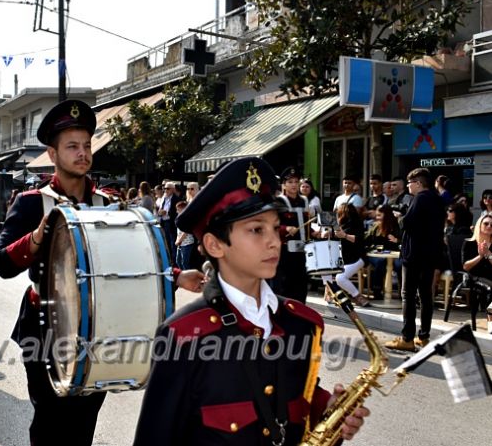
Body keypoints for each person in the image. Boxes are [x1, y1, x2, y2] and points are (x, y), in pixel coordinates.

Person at [0, 100, 203, 445]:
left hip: (101, 326)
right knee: (49, 423)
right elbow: (0, 263)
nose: (82, 153)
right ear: (53, 153)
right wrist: (34, 238)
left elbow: (133, 259)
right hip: (46, 328)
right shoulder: (32, 203)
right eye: (72, 146)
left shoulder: (109, 203)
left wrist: (175, 274)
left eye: (87, 145)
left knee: (83, 423)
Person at [133, 156, 369, 445]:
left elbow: (299, 401)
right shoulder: (184, 336)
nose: (273, 241)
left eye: (275, 228)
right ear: (214, 244)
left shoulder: (301, 324)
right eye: (257, 230)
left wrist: (329, 412)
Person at [385, 168, 445, 352]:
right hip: (430, 255)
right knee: (425, 295)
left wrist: (399, 217)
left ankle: (407, 338)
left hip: (414, 255)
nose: (408, 186)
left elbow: (408, 224)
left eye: (410, 183)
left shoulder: (420, 198)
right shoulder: (437, 199)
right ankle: (424, 336)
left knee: (408, 295)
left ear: (418, 183)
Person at [272, 166, 309, 303]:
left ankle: (300, 313)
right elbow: (271, 226)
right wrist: (286, 228)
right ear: (284, 185)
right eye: (290, 182)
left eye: (296, 181)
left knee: (301, 284)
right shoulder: (278, 202)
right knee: (284, 286)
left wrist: (316, 233)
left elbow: (307, 224)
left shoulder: (304, 201)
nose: (294, 185)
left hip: (302, 251)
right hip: (285, 251)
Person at [323, 203, 368, 306]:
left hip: (356, 258)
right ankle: (329, 291)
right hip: (343, 258)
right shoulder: (338, 226)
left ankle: (357, 296)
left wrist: (345, 236)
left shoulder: (356, 224)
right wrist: (328, 234)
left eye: (339, 214)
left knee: (340, 278)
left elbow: (359, 240)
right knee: (324, 268)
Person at [364, 205, 402, 300]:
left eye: (379, 215)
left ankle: (403, 292)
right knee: (380, 261)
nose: (377, 218)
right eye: (376, 215)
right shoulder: (375, 226)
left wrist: (396, 240)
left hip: (394, 254)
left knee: (400, 265)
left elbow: (402, 240)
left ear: (387, 215)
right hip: (376, 254)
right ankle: (377, 290)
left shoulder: (395, 226)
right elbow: (366, 240)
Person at [460, 214, 492, 309]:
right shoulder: (469, 243)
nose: (489, 226)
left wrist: (489, 253)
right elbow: (465, 266)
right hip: (474, 276)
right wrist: (480, 256)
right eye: (486, 224)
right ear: (479, 225)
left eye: (491, 225)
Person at [157, 181, 181, 263]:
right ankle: (168, 260)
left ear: (173, 189)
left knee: (172, 244)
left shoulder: (176, 199)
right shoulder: (164, 198)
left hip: (171, 224)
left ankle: (174, 262)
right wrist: (160, 212)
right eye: (164, 188)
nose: (165, 190)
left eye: (167, 189)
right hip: (164, 223)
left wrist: (166, 212)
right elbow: (160, 209)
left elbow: (176, 212)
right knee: (165, 243)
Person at [174, 200, 195, 269]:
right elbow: (178, 232)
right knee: (178, 261)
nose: (177, 211)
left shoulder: (187, 218)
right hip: (181, 243)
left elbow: (185, 232)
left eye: (178, 210)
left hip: (187, 243)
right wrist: (177, 240)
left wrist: (179, 241)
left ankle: (187, 276)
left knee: (184, 262)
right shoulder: (179, 218)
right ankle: (182, 274)